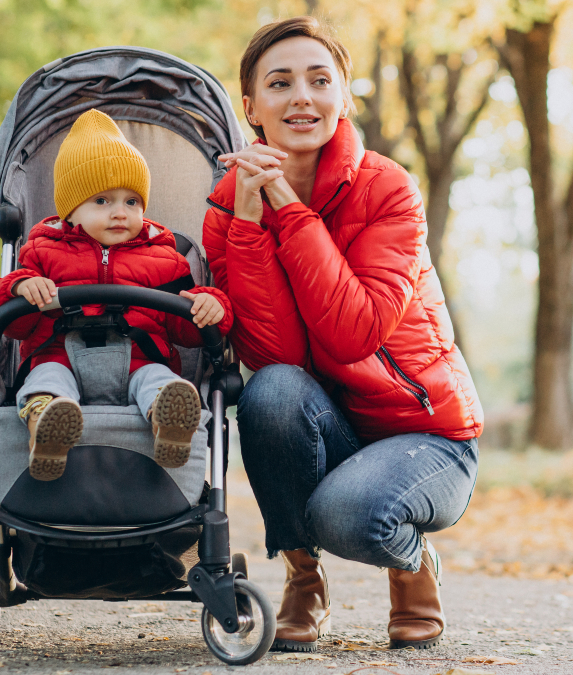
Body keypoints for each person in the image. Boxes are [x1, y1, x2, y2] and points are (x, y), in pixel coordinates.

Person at [201, 17, 483, 652]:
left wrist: (291, 211)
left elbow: (352, 331)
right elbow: (280, 357)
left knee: (349, 515)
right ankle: (306, 579)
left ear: (344, 97)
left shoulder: (389, 190)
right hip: (331, 424)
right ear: (251, 107)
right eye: (280, 83)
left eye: (319, 80)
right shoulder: (227, 209)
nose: (302, 96)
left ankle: (411, 565)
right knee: (267, 391)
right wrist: (250, 220)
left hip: (425, 435)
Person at [0, 109, 232, 480]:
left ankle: (169, 423)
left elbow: (186, 334)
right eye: (102, 201)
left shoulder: (165, 259)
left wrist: (213, 307)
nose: (120, 212)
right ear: (70, 211)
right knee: (46, 380)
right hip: (59, 356)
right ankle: (46, 427)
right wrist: (19, 288)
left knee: (160, 382)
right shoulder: (41, 252)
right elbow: (10, 325)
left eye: (131, 202)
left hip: (139, 359)